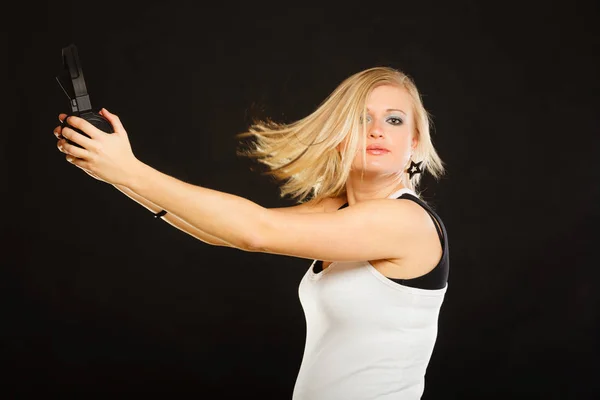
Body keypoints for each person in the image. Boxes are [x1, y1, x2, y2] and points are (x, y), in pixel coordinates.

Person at [53, 66, 449, 399]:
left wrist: (129, 169)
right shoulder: (337, 209)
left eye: (394, 119)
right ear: (341, 132)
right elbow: (220, 233)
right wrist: (112, 173)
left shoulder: (405, 221)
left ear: (414, 142)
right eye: (362, 118)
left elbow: (254, 230)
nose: (377, 130)